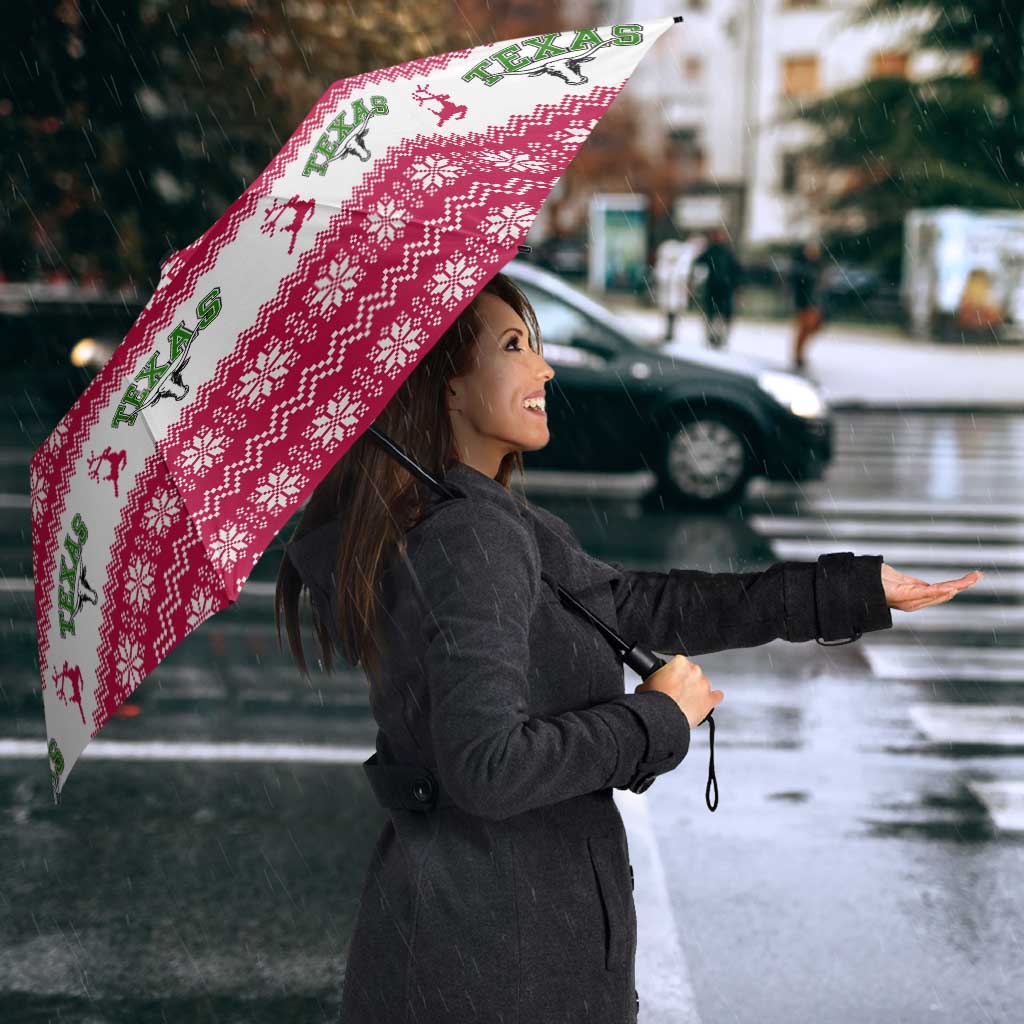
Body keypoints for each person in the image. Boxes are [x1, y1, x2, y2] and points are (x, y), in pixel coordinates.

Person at [276, 272, 906, 1024]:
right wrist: (656, 719)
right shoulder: (469, 536)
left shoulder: (472, 517)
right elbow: (488, 767)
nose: (544, 368)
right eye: (515, 346)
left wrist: (848, 592)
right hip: (499, 964)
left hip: (476, 945)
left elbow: (637, 605)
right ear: (446, 386)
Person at [692, 226, 742, 349]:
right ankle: (713, 337)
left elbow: (736, 270)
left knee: (720, 315)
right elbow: (698, 264)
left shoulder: (725, 252)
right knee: (713, 314)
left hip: (723, 288)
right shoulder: (712, 251)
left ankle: (719, 337)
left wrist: (735, 284)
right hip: (715, 288)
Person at [790, 239, 826, 371]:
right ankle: (798, 355)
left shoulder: (817, 266)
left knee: (812, 328)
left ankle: (800, 354)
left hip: (814, 303)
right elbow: (799, 286)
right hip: (805, 303)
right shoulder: (802, 267)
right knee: (804, 329)